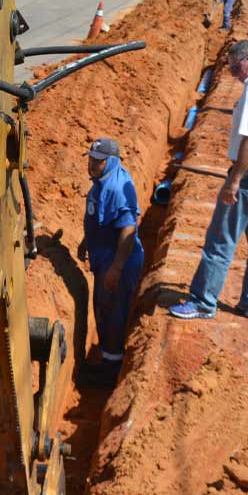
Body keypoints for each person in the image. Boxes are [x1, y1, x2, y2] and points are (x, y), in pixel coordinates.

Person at [168, 40, 248, 322]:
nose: (236, 75)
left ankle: (202, 302)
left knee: (220, 240)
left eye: (237, 68)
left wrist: (235, 179)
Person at [77, 138, 145, 387]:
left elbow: (128, 231)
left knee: (113, 314)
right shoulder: (103, 181)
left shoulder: (116, 189)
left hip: (119, 262)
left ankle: (110, 373)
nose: (92, 164)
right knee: (103, 310)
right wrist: (87, 240)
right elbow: (101, 218)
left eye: (99, 160)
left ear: (112, 161)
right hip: (107, 257)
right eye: (91, 159)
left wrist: (116, 269)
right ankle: (107, 360)